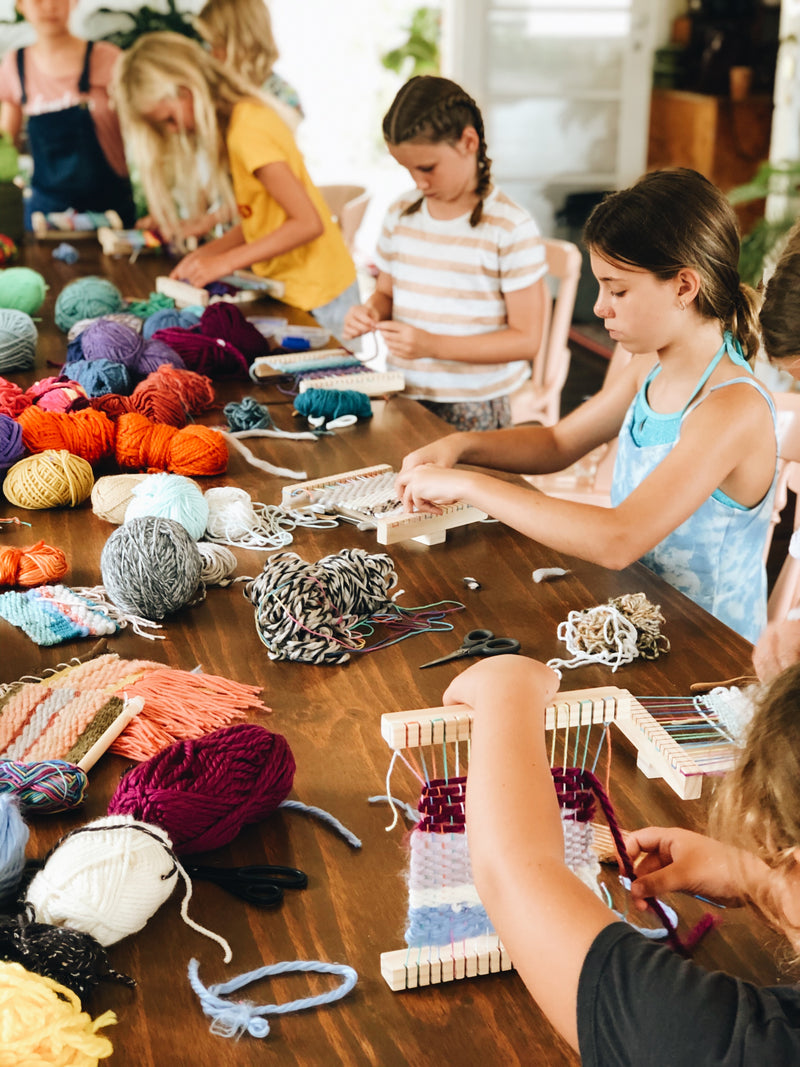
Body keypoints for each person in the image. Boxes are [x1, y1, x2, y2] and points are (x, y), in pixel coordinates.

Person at [397, 168, 777, 643]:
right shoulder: (649, 370)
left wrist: (467, 484)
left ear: (684, 287)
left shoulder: (731, 407)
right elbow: (559, 441)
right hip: (638, 625)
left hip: (711, 662)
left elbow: (618, 538)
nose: (600, 307)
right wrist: (460, 445)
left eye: (617, 290)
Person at [448, 653, 800, 1064]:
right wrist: (765, 880)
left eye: (775, 852)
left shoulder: (727, 1044)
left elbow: (512, 870)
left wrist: (506, 687)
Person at [112, 33, 358, 341]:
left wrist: (223, 263)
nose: (176, 131)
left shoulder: (248, 130)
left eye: (170, 120)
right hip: (295, 290)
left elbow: (308, 223)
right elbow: (261, 220)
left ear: (186, 91)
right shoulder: (237, 127)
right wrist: (205, 255)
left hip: (323, 295)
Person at [342, 75, 548, 433]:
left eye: (426, 168)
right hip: (403, 392)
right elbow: (387, 292)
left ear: (469, 141)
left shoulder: (509, 227)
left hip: (475, 407)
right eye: (406, 169)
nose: (418, 183)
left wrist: (432, 345)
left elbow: (526, 339)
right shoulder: (401, 214)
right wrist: (370, 311)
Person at [0, 0, 136, 229]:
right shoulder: (16, 64)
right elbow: (6, 144)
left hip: (112, 213)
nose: (49, 7)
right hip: (46, 216)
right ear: (21, 5)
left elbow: (145, 132)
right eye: (38, 0)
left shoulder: (109, 59)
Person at [195, 0, 303, 124]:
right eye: (208, 44)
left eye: (217, 44)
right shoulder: (216, 90)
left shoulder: (282, 97)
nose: (212, 53)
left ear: (243, 42)